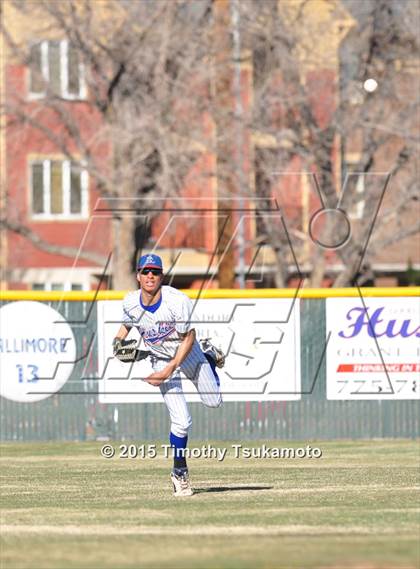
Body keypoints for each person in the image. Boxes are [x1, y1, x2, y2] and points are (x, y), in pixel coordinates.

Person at [113, 253, 224, 497]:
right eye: (145, 271)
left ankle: (208, 356)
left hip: (189, 351)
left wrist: (169, 368)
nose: (150, 275)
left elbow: (189, 337)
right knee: (182, 422)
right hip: (160, 357)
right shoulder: (130, 302)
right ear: (138, 276)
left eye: (155, 271)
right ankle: (179, 472)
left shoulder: (177, 301)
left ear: (162, 276)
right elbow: (126, 324)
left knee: (213, 401)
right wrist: (118, 341)